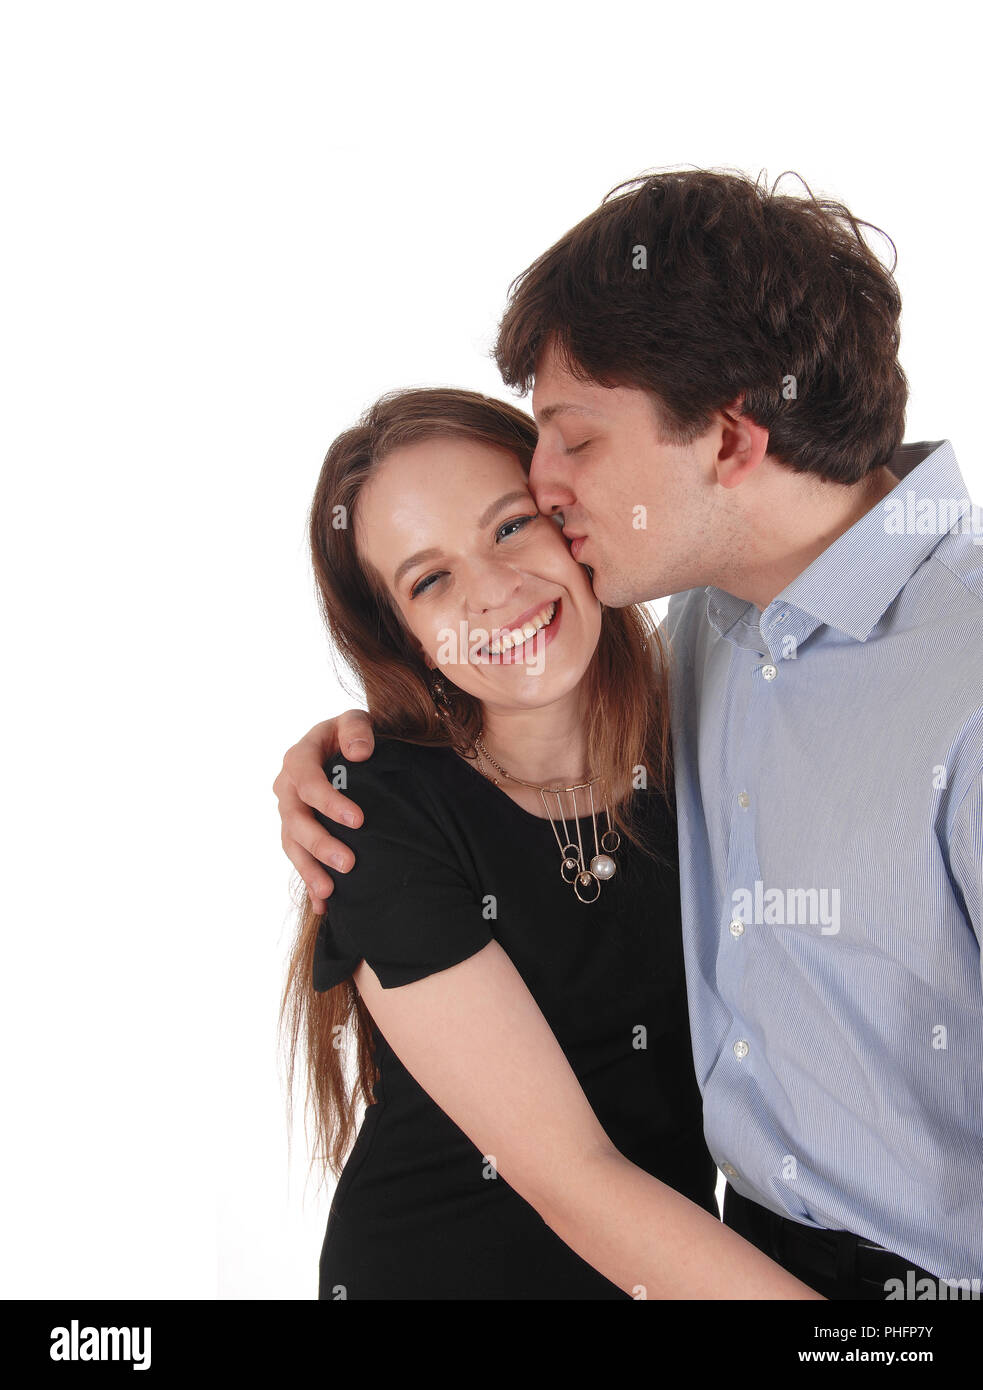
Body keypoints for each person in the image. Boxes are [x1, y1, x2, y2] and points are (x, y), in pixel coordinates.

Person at [276, 168, 983, 1300]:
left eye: (571, 443)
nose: (546, 487)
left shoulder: (952, 679)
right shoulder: (710, 625)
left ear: (732, 438)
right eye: (427, 579)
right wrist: (339, 756)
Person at [278, 384, 823, 1300]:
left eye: (508, 527)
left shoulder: (706, 731)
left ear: (571, 519)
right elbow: (575, 1177)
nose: (494, 593)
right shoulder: (378, 817)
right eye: (429, 580)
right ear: (406, 640)